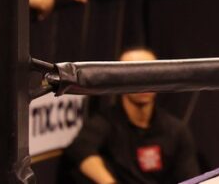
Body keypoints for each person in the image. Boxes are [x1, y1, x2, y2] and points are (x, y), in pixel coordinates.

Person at [64, 47, 200, 182]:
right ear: (119, 80)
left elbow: (191, 178)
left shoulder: (176, 130)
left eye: (151, 74)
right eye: (134, 76)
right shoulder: (104, 123)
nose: (144, 83)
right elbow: (80, 151)